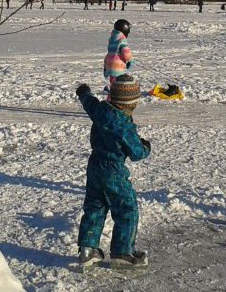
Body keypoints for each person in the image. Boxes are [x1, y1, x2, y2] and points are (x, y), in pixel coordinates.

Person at [75, 77, 151, 270]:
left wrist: (84, 92)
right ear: (131, 103)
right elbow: (137, 153)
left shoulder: (100, 110)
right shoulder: (124, 125)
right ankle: (122, 251)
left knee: (95, 206)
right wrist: (145, 146)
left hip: (94, 166)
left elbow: (88, 103)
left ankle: (87, 250)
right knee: (126, 209)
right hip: (113, 170)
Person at [103, 19, 133, 88]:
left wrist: (105, 66)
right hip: (118, 67)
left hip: (110, 64)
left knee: (113, 83)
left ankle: (111, 93)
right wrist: (131, 60)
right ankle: (114, 96)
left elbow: (111, 53)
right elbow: (126, 52)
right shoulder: (122, 39)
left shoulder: (112, 39)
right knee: (118, 86)